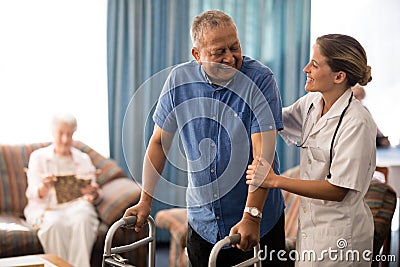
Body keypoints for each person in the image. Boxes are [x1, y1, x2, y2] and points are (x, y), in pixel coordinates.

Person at [124, 10, 285, 266]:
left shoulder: (260, 78)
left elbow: (262, 155)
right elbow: (158, 143)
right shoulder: (179, 79)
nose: (231, 58)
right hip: (203, 223)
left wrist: (252, 216)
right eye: (219, 52)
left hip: (258, 223)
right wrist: (145, 201)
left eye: (235, 47)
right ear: (197, 55)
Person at [247, 34, 376, 266]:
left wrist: (274, 180)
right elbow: (274, 120)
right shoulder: (311, 103)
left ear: (339, 76)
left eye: (315, 65)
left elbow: (338, 189)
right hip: (311, 235)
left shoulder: (357, 122)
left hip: (342, 240)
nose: (306, 68)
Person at [24, 113, 102, 267]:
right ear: (53, 132)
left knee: (84, 218)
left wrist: (92, 193)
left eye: (70, 134)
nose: (65, 140)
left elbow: (93, 191)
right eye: (61, 134)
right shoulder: (38, 157)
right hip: (47, 208)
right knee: (54, 224)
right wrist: (44, 186)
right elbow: (32, 192)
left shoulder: (83, 158)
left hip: (77, 206)